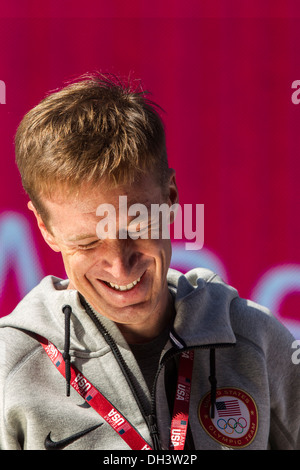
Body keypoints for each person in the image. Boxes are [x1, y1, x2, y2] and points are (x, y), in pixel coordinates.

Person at [0, 73, 299, 451]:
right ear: (46, 228)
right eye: (88, 242)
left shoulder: (253, 338)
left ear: (170, 197)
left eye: (136, 227)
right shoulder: (9, 367)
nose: (120, 267)